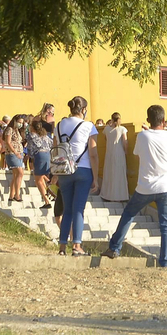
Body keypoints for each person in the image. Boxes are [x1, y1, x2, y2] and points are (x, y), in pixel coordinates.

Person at [104, 105, 167, 268]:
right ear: (164, 120)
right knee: (166, 225)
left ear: (148, 120)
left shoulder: (142, 136)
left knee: (128, 214)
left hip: (145, 186)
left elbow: (139, 157)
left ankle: (114, 247)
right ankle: (165, 260)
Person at [54, 97, 99, 256]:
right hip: (83, 169)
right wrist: (96, 177)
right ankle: (77, 245)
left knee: (67, 210)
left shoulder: (59, 125)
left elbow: (55, 149)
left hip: (64, 171)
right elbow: (93, 153)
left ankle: (62, 246)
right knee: (78, 209)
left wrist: (55, 174)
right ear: (83, 109)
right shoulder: (89, 126)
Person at [25, 118, 54, 210]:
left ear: (32, 128)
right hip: (47, 155)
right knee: (42, 177)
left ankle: (46, 200)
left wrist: (31, 158)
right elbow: (52, 144)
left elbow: (30, 148)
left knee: (38, 180)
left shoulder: (31, 135)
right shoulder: (45, 136)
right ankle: (50, 193)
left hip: (39, 155)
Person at [100, 114, 130, 203]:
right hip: (119, 153)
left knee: (109, 174)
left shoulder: (107, 129)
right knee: (119, 174)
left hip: (109, 153)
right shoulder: (122, 129)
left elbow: (105, 139)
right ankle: (119, 196)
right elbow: (125, 141)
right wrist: (126, 151)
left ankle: (108, 195)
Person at [1, 115, 26, 202]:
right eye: (19, 122)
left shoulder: (17, 130)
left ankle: (11, 195)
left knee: (16, 175)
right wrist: (15, 152)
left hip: (19, 154)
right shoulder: (9, 129)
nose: (20, 124)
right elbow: (8, 142)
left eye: (21, 123)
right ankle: (17, 194)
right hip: (12, 153)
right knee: (20, 173)